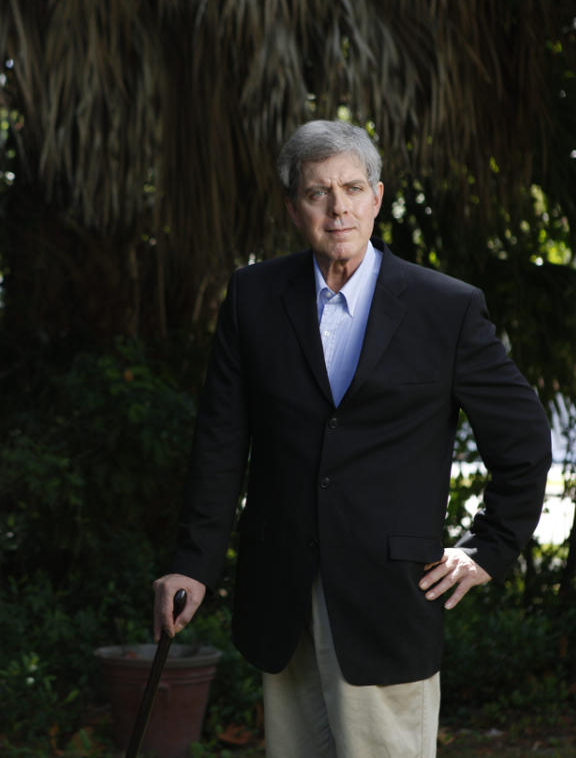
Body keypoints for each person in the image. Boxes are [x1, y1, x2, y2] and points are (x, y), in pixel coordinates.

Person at [151, 119, 552, 756]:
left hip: (389, 599)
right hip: (280, 588)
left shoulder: (445, 308)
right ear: (293, 208)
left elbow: (524, 438)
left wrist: (491, 547)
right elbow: (221, 440)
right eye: (318, 193)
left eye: (352, 187)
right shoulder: (252, 296)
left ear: (377, 197)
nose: (338, 207)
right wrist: (192, 563)